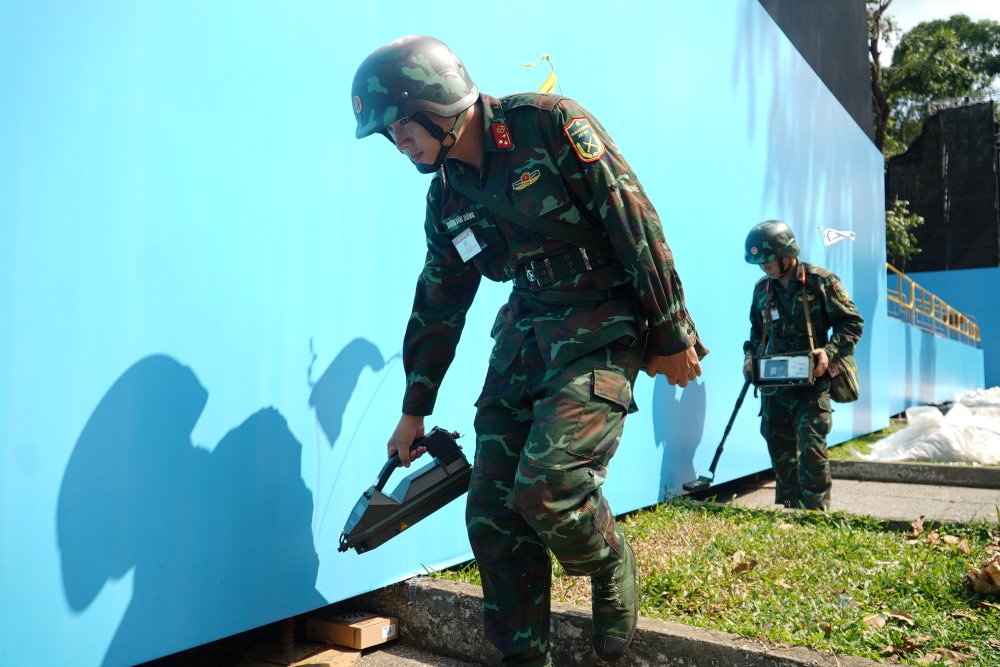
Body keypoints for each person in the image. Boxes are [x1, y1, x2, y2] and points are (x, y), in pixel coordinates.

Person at [352, 35, 707, 666]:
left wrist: (672, 331)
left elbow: (635, 221)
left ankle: (609, 560)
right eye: (389, 133)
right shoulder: (446, 197)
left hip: (603, 317)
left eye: (399, 126)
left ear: (436, 104)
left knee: (550, 487)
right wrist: (414, 407)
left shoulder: (548, 126)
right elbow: (439, 300)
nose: (397, 141)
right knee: (491, 512)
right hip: (527, 329)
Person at [742, 220, 863, 511]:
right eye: (760, 263)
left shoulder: (822, 281)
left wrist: (829, 352)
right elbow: (756, 332)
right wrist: (749, 357)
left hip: (812, 383)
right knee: (778, 448)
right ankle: (789, 507)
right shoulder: (762, 290)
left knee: (812, 449)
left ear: (787, 253)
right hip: (775, 386)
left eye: (769, 261)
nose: (765, 268)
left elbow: (851, 324)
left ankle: (815, 513)